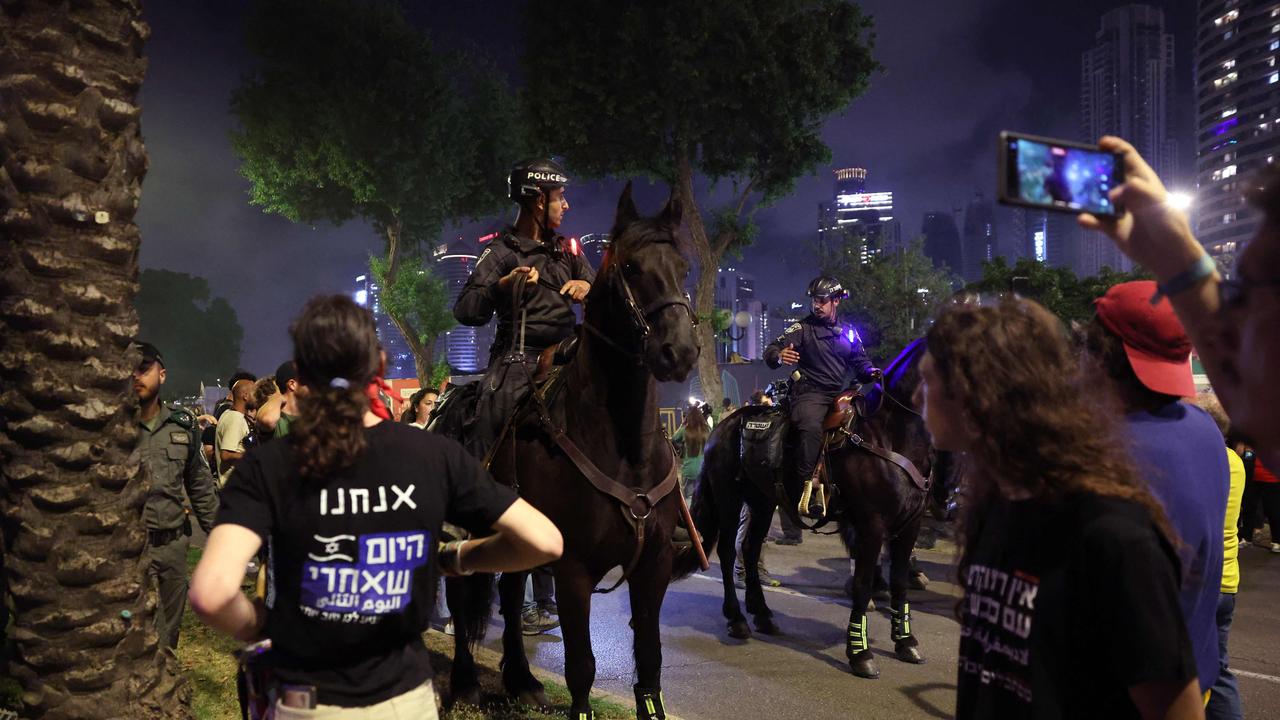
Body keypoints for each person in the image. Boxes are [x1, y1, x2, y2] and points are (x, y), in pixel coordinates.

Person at [189, 295, 562, 718]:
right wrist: (460, 558)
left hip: (306, 703)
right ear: (379, 363)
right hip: (404, 702)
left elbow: (211, 592)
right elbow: (544, 541)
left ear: (300, 375)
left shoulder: (269, 463)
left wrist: (265, 626)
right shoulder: (434, 455)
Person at [919, 294, 1203, 719]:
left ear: (974, 393)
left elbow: (1177, 712)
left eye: (928, 379)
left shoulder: (1112, 535)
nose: (917, 393)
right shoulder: (994, 503)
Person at [1079, 138, 1280, 472]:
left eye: (1242, 296)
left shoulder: (1103, 455)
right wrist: (1176, 254)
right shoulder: (1212, 434)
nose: (1215, 331)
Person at [1083, 280, 1228, 697]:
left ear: (1099, 357)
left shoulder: (1108, 454)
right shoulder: (1205, 430)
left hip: (1127, 693)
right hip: (1192, 677)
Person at [453, 158, 593, 459]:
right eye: (560, 198)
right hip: (519, 359)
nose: (566, 206)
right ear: (540, 201)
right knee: (488, 414)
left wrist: (589, 287)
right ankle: (479, 492)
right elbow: (466, 310)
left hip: (570, 353)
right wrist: (503, 286)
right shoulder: (501, 252)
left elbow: (604, 294)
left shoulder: (568, 252)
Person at [764, 276, 880, 520]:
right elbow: (772, 349)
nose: (816, 305)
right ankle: (806, 486)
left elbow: (860, 361)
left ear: (836, 301)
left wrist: (871, 371)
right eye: (815, 300)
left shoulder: (849, 332)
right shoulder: (802, 329)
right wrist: (778, 355)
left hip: (840, 394)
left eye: (822, 300)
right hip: (809, 393)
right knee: (809, 425)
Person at [133, 341, 220, 649]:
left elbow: (200, 487)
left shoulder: (182, 426)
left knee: (168, 634)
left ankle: (163, 690)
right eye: (128, 369)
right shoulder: (112, 428)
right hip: (127, 550)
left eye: (144, 368)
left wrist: (223, 543)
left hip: (171, 546)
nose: (136, 376)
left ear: (162, 374)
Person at [1196, 392, 1245, 720]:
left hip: (1204, 581)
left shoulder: (1203, 459)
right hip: (1229, 580)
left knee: (1190, 669)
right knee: (1220, 667)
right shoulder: (1236, 462)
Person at [214, 376, 256, 488]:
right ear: (245, 396)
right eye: (254, 393)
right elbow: (226, 455)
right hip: (234, 489)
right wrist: (253, 455)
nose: (257, 397)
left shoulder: (230, 414)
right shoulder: (235, 418)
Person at [257, 361, 301, 439]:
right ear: (292, 384)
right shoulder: (278, 420)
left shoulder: (309, 418)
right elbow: (268, 420)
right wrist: (278, 395)